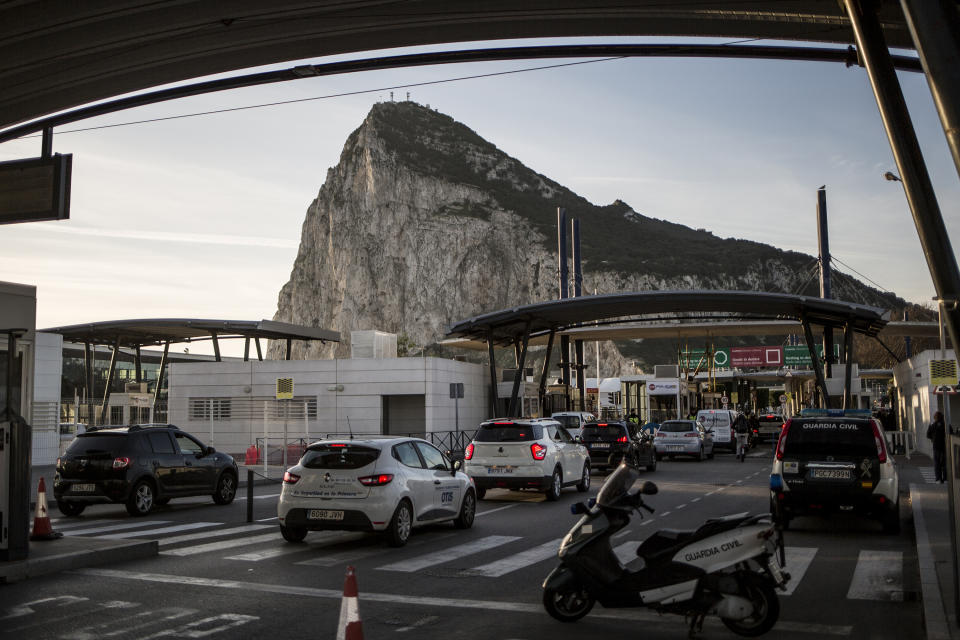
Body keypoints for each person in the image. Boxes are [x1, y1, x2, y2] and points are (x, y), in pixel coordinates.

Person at [927, 411, 947, 483]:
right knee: (945, 463)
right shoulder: (945, 424)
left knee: (937, 463)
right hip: (944, 446)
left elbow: (928, 435)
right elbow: (951, 432)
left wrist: (933, 438)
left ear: (935, 417)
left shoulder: (932, 425)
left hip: (936, 446)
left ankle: (938, 478)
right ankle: (945, 478)